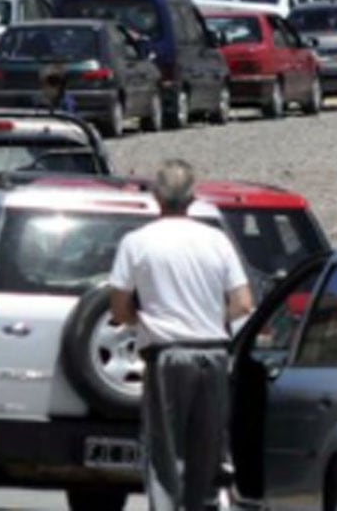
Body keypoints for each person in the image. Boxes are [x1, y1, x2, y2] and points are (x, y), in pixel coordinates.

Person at [109, 160, 252, 511]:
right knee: (207, 445)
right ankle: (202, 504)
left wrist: (141, 321)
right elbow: (243, 302)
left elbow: (119, 308)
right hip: (213, 352)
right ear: (193, 196)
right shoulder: (216, 240)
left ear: (157, 196)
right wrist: (211, 318)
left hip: (167, 354)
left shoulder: (137, 242)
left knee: (165, 449)